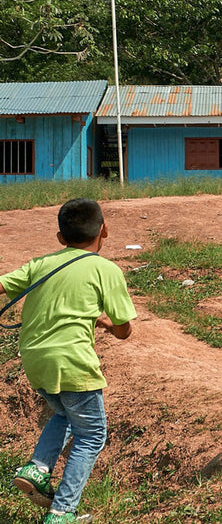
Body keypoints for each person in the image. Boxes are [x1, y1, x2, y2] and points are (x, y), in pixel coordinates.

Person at [2, 198, 137, 524]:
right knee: (92, 434)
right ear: (105, 230)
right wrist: (107, 324)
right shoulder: (106, 269)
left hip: (35, 361)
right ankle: (62, 513)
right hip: (72, 362)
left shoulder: (40, 264)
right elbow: (124, 330)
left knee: (65, 413)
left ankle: (37, 468)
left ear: (60, 238)